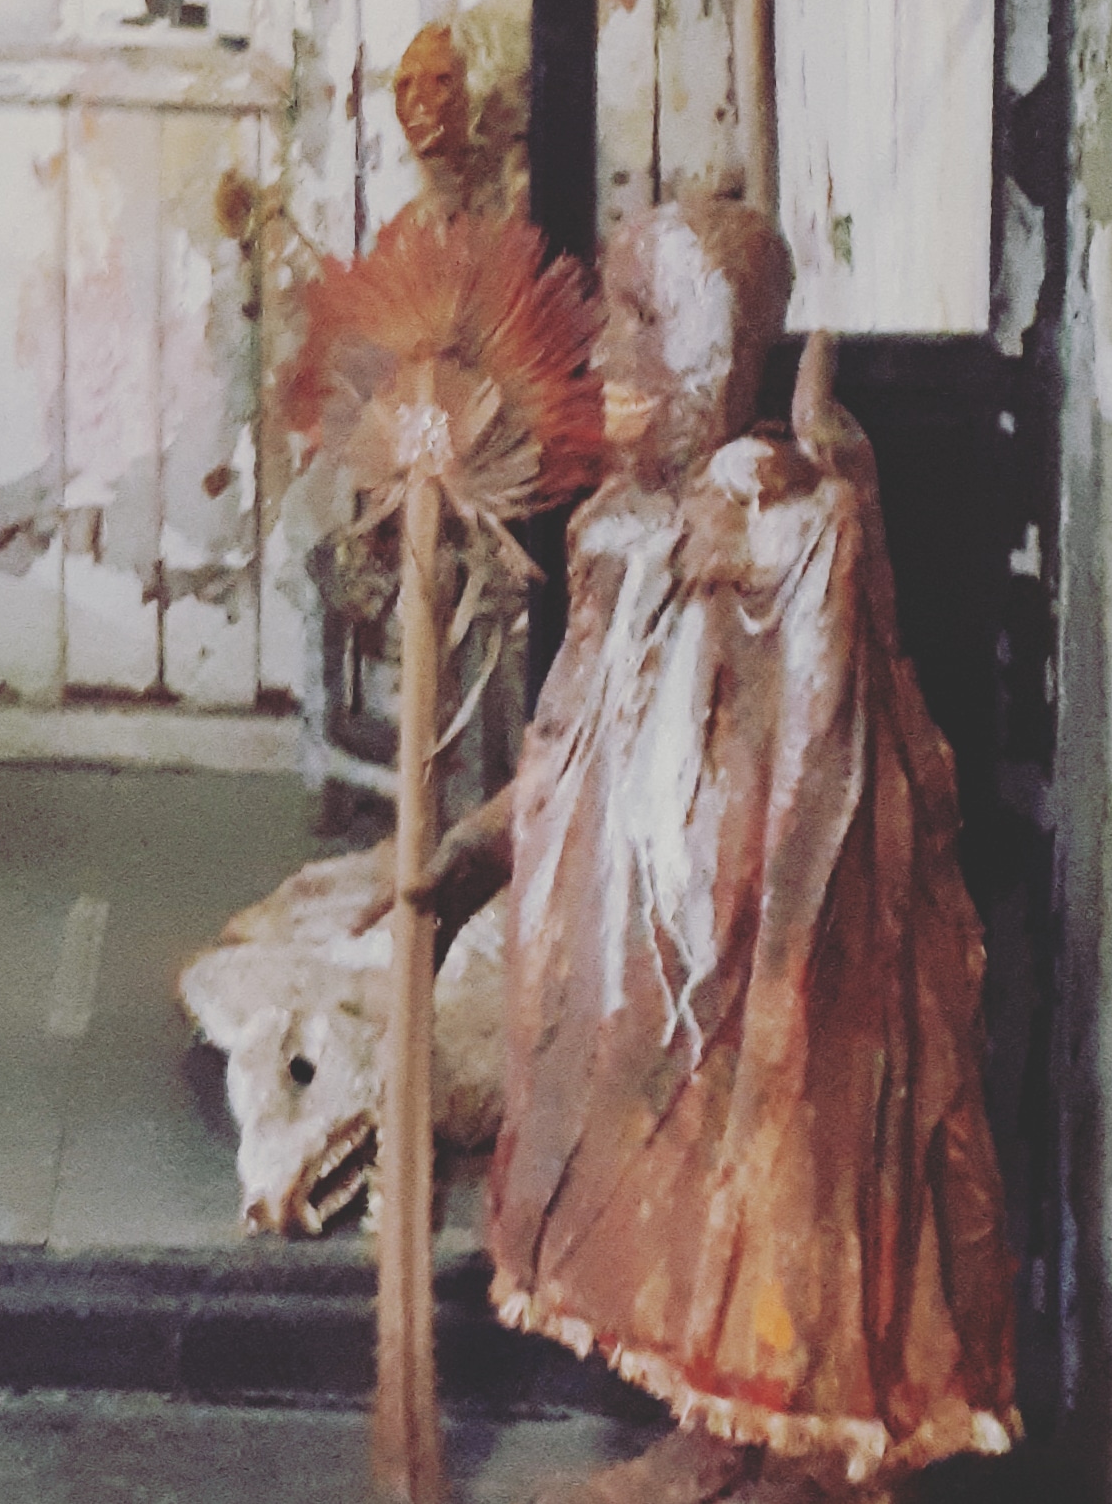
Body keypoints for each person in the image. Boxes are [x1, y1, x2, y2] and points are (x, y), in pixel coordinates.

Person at [421, 193, 1019, 1499]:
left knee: (780, 1191)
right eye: (612, 319)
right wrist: (484, 842)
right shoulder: (616, 534)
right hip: (651, 947)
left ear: (732, 345)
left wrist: (774, 951)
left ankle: (799, 1457)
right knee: (682, 1200)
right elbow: (574, 740)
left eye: (651, 320)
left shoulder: (784, 525)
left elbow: (830, 743)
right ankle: (718, 1437)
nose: (612, 356)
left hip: (769, 950)